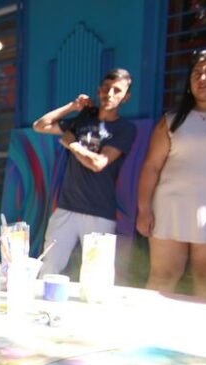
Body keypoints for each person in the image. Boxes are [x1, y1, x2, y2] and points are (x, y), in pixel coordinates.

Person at [137, 49, 206, 303]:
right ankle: (145, 333)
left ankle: (202, 341)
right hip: (170, 207)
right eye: (197, 73)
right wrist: (143, 209)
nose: (202, 78)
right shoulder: (171, 120)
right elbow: (151, 167)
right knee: (163, 275)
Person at [32, 68, 137, 275]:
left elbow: (98, 163)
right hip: (67, 207)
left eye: (117, 90)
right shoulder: (83, 120)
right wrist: (73, 106)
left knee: (96, 274)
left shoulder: (125, 128)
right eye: (106, 88)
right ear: (99, 91)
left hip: (99, 211)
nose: (110, 94)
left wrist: (72, 144)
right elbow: (40, 125)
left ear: (126, 97)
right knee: (49, 267)